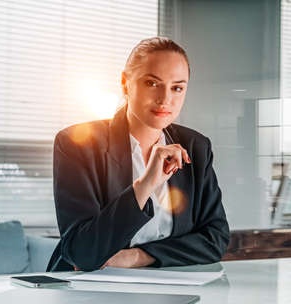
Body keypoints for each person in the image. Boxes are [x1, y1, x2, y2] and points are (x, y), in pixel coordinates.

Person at [47, 37, 230, 271]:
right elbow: (82, 252)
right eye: (152, 83)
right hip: (88, 289)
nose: (165, 99)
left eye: (177, 88)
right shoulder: (77, 144)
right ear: (125, 83)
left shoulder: (195, 146)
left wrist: (138, 257)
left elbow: (215, 240)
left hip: (171, 287)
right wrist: (145, 184)